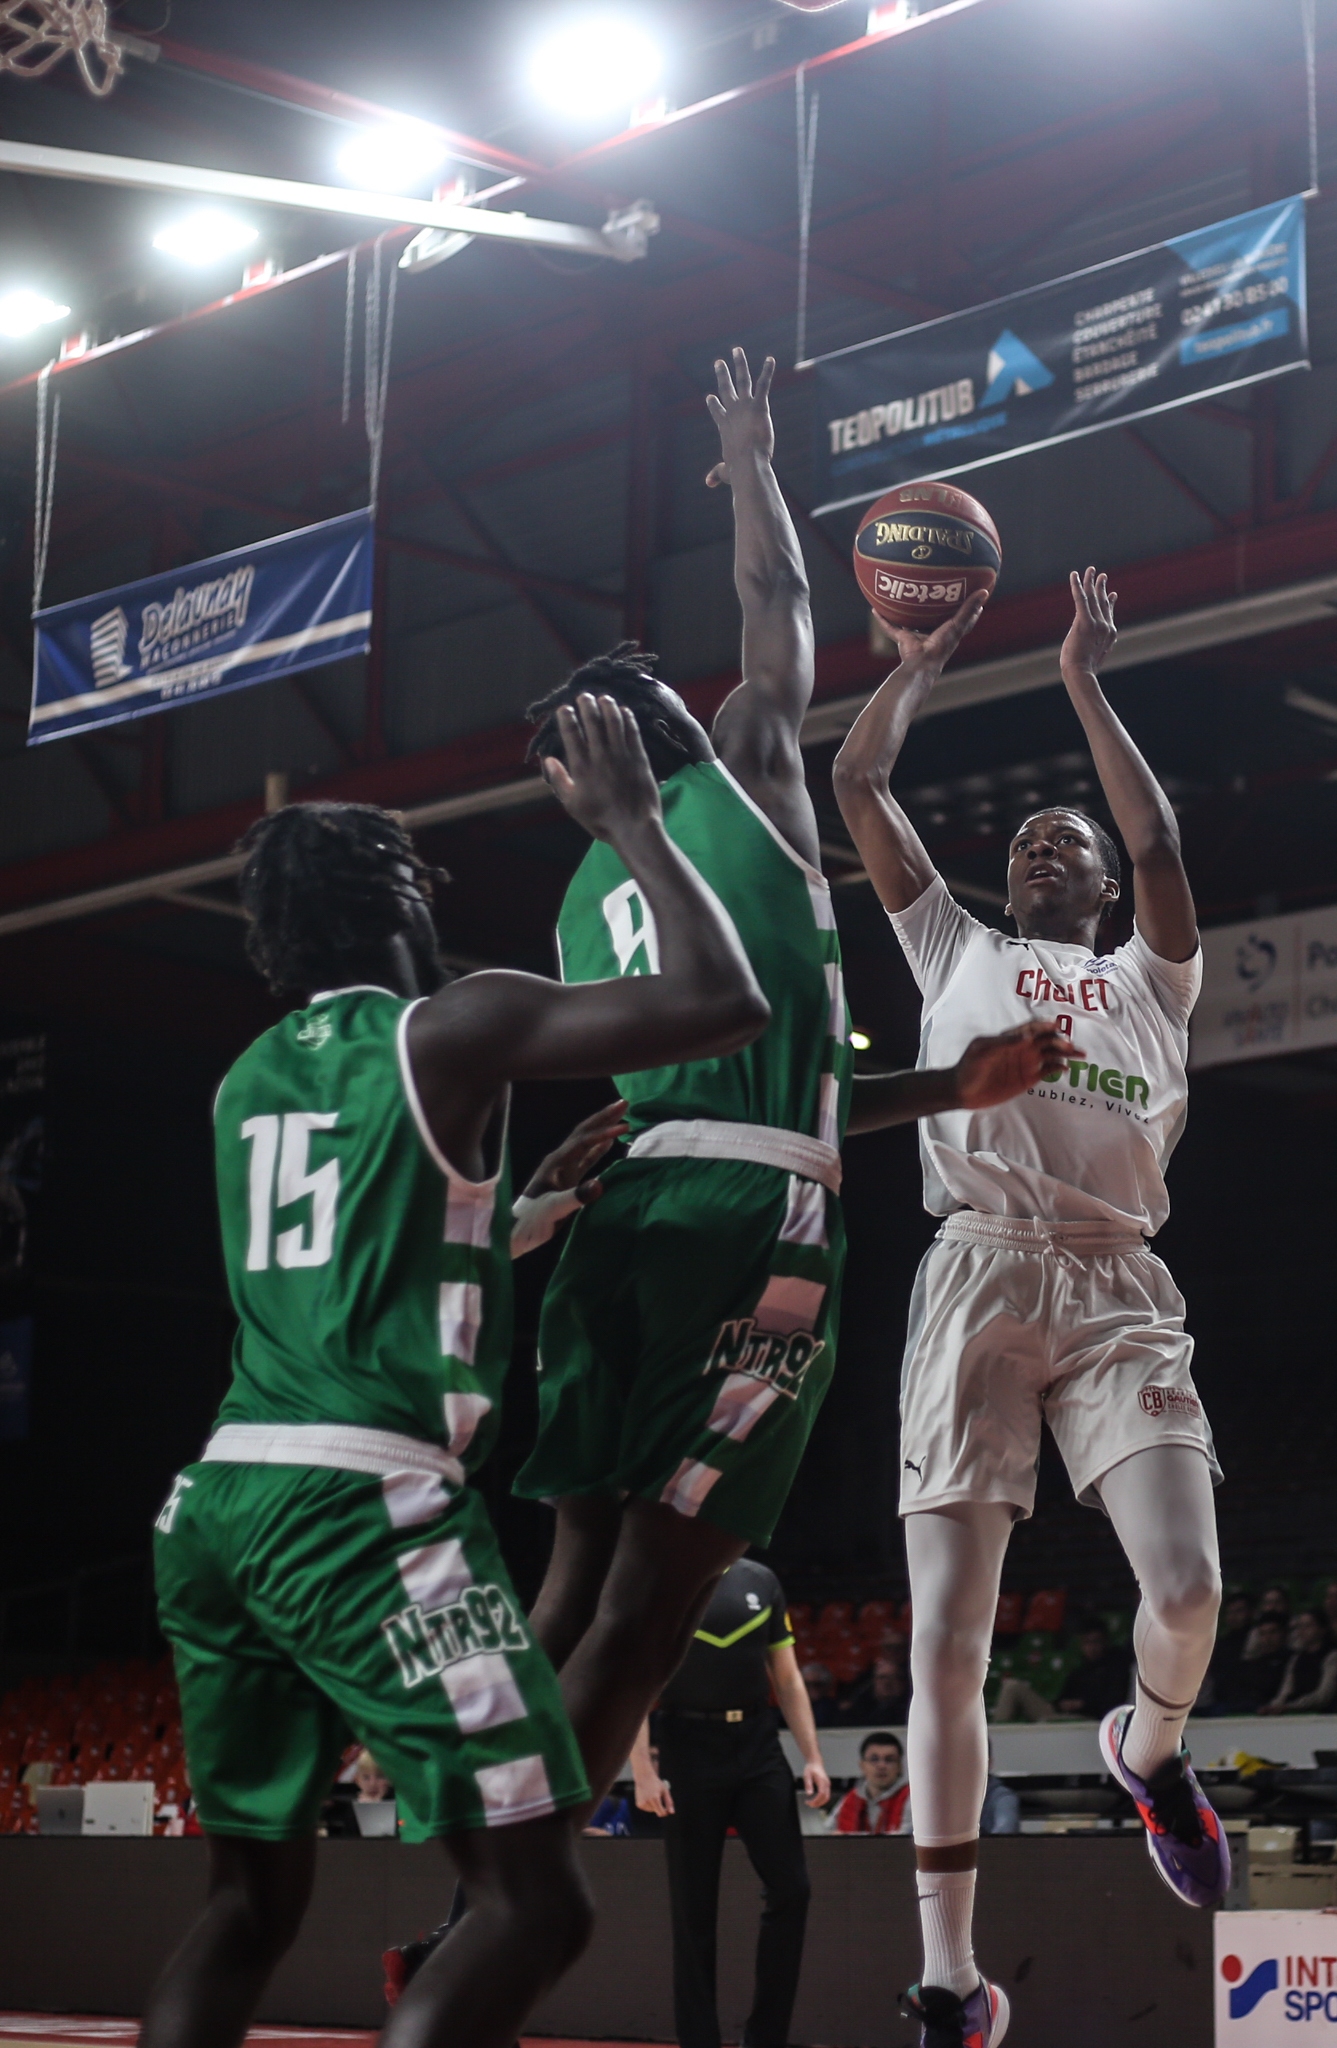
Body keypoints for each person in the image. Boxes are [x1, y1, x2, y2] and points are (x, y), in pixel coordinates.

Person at [387, 342, 1070, 1998]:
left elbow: (746, 1068)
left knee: (574, 1564)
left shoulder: (576, 901)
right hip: (760, 1222)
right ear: (669, 721)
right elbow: (776, 603)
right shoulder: (746, 768)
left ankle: (471, 1849)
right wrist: (755, 455)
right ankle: (525, 1887)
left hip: (632, 1225)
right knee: (656, 1584)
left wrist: (938, 1082)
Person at [143, 696, 775, 2048]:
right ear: (393, 905)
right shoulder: (448, 1027)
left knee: (246, 1906)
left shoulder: (244, 1078)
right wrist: (635, 827)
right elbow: (726, 1004)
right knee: (531, 1905)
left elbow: (351, 1262)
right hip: (357, 1504)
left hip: (215, 1506)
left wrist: (511, 1224)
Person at [834, 565, 1229, 2046]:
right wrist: (921, 659)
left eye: (1070, 839)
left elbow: (1162, 833)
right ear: (1005, 882)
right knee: (948, 1637)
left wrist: (1080, 672)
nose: (1049, 845)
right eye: (1028, 838)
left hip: (1122, 1283)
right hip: (979, 1269)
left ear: (1103, 887)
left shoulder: (1151, 982)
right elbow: (860, 778)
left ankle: (1152, 1749)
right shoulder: (954, 947)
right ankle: (949, 1976)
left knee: (1185, 1594)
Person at [630, 1558, 829, 2048]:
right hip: (686, 1744)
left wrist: (813, 1758)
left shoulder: (760, 1579)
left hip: (758, 1742)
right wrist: (642, 1771)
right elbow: (635, 1684)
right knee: (693, 1907)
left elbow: (786, 1677)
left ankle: (766, 2038)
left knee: (792, 1888)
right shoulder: (661, 1578)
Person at [991, 1616, 1131, 1724]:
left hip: (1092, 1721)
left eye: (1095, 1641)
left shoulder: (1116, 1667)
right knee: (1011, 1686)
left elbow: (1114, 1704)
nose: (1091, 1647)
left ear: (1105, 1642)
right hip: (1062, 1716)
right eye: (1087, 1642)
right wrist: (1063, 1704)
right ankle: (994, 1740)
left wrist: (1083, 1705)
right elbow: (1060, 1700)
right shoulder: (1079, 1671)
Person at [1260, 1610, 1337, 1715]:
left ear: (1322, 1629)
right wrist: (1273, 1706)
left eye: (1308, 1626)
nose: (1302, 1631)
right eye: (1300, 1626)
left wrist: (1291, 1706)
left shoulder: (1333, 1657)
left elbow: (1323, 1696)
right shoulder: (1296, 1658)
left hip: (1322, 1716)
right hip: (1294, 1712)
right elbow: (1286, 1690)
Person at [829, 1731, 912, 1835]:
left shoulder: (910, 1798)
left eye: (889, 1760)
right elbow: (829, 1834)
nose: (881, 1766)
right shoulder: (850, 1799)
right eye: (874, 1759)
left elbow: (907, 1838)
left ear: (900, 1766)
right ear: (862, 1766)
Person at [1203, 1592, 1255, 1713]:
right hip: (1223, 1702)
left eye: (1239, 1611)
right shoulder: (1221, 1644)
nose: (1234, 1616)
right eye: (1230, 1612)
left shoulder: (1257, 1640)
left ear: (1251, 1612)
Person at [838, 1651, 912, 1728]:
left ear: (902, 1681)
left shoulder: (910, 1710)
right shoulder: (859, 1709)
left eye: (893, 1678)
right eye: (882, 1677)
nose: (887, 1683)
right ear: (874, 1681)